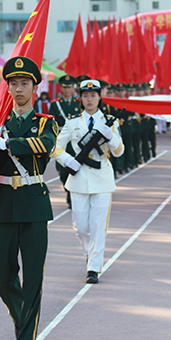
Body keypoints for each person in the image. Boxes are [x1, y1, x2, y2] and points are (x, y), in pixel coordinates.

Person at [0, 56, 58, 340]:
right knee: (3, 277)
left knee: (33, 280)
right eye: (13, 84)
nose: (19, 89)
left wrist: (9, 143)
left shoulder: (45, 123)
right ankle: (24, 321)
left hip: (33, 204)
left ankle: (25, 337)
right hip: (3, 204)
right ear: (7, 88)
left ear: (34, 88)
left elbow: (45, 145)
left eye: (24, 83)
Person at [54, 79, 124, 284]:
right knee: (81, 226)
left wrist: (111, 137)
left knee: (98, 225)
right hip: (78, 178)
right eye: (85, 96)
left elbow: (119, 151)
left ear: (99, 97)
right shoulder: (72, 120)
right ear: (81, 98)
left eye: (93, 95)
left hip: (102, 178)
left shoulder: (109, 120)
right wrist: (66, 159)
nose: (89, 99)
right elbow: (57, 146)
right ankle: (89, 251)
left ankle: (93, 267)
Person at [49, 75, 80, 208]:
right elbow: (51, 123)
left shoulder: (79, 103)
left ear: (73, 88)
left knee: (75, 168)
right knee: (62, 170)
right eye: (64, 87)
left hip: (76, 141)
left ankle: (71, 195)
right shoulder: (55, 104)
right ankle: (67, 188)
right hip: (61, 140)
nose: (67, 90)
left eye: (69, 87)